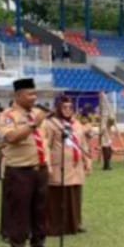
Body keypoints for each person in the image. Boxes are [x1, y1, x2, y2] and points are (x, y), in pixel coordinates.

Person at [0, 78, 53, 247]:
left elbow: (45, 141)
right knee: (19, 213)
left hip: (40, 169)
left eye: (35, 93)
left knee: (40, 211)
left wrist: (48, 165)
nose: (34, 97)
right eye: (30, 94)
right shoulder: (8, 115)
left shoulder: (38, 113)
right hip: (20, 171)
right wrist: (31, 125)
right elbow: (11, 137)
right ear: (18, 95)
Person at [45, 96, 90, 236]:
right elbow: (47, 145)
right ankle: (56, 226)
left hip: (75, 166)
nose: (68, 110)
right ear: (58, 107)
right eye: (64, 107)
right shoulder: (51, 123)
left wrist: (87, 159)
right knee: (58, 196)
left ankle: (74, 223)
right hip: (59, 165)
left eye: (70, 107)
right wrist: (48, 164)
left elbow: (82, 144)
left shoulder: (76, 124)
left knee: (75, 194)